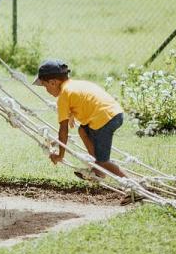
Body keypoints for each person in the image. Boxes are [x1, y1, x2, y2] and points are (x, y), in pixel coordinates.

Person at [33, 59, 131, 194]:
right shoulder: (76, 84)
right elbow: (85, 99)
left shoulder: (63, 96)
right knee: (82, 130)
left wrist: (60, 155)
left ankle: (134, 187)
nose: (46, 90)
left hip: (104, 120)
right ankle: (98, 171)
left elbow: (63, 130)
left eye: (45, 86)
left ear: (53, 82)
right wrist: (72, 113)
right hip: (115, 113)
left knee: (104, 161)